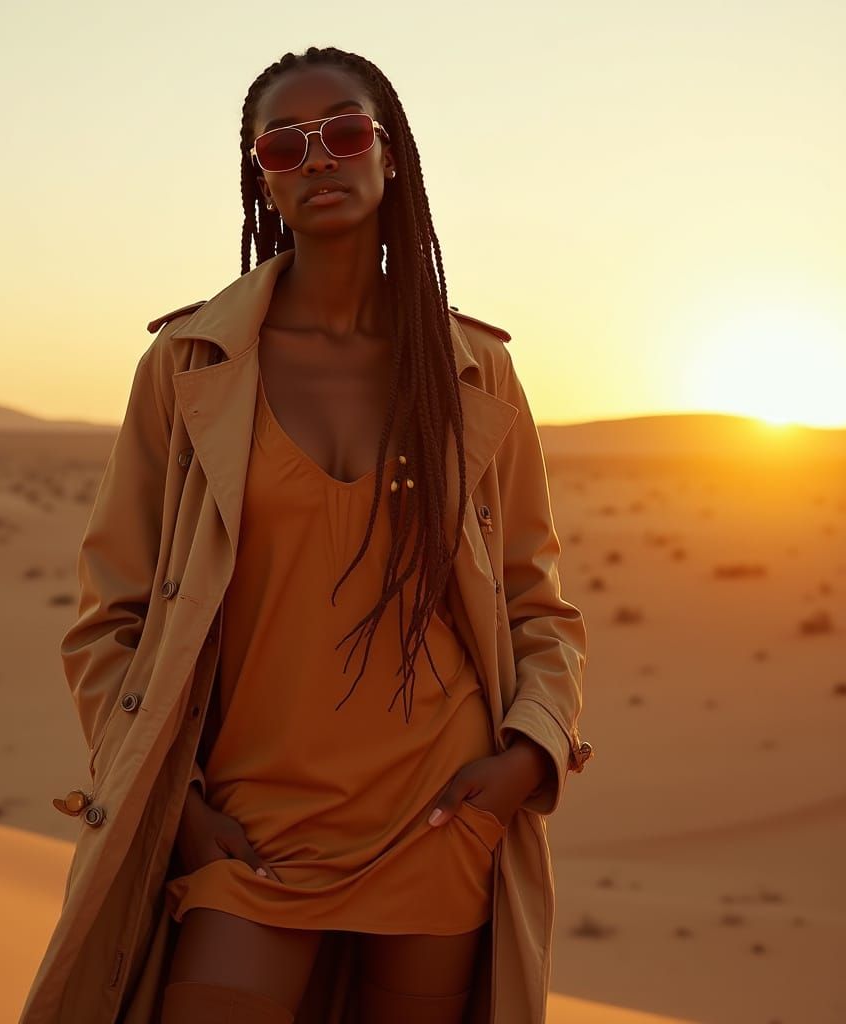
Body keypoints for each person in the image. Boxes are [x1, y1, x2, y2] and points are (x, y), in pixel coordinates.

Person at [146, 46, 588, 1024]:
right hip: (250, 823)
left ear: (391, 155)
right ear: (260, 177)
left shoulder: (469, 368)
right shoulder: (190, 364)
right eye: (283, 145)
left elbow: (537, 603)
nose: (318, 158)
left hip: (437, 812)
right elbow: (114, 615)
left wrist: (526, 758)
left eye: (344, 132)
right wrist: (175, 807)